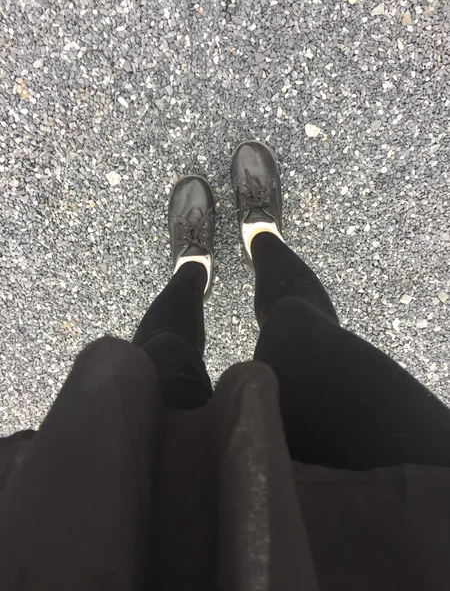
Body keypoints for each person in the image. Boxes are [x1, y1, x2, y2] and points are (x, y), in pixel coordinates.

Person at [0, 141, 449, 590]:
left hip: (95, 542)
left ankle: (194, 269)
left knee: (162, 370)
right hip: (402, 535)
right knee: (301, 336)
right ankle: (261, 235)